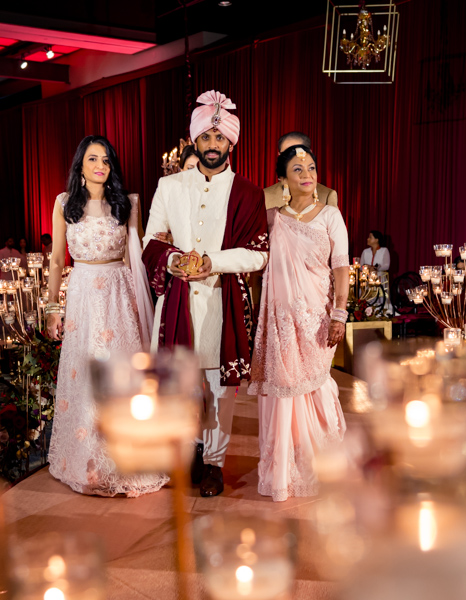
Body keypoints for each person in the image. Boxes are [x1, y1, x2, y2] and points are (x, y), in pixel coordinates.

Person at [142, 90, 269, 498]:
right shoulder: (169, 186)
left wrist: (212, 262)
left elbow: (259, 255)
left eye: (220, 138)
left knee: (218, 389)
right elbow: (151, 242)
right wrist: (178, 262)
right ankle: (192, 449)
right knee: (183, 383)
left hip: (221, 302)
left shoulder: (249, 194)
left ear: (232, 142)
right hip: (177, 302)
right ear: (194, 141)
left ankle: (214, 462)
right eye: (206, 138)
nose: (213, 146)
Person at [45, 135, 162, 497]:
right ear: (80, 164)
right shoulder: (65, 203)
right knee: (85, 375)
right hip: (81, 293)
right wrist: (52, 307)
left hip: (117, 294)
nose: (100, 165)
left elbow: (135, 257)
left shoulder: (126, 204)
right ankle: (87, 461)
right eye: (93, 159)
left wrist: (146, 308)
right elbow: (56, 259)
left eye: (107, 160)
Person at [248, 144, 348, 502]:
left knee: (316, 387)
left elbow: (341, 267)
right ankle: (283, 472)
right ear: (282, 180)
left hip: (317, 318)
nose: (308, 175)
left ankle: (320, 464)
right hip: (280, 322)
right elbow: (254, 258)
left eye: (312, 168)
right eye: (298, 170)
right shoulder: (274, 218)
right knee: (283, 392)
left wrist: (339, 313)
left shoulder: (330, 215)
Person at [264, 132, 338, 209]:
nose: (293, 159)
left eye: (297, 153)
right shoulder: (265, 196)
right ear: (279, 156)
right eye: (287, 154)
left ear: (310, 154)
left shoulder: (327, 195)